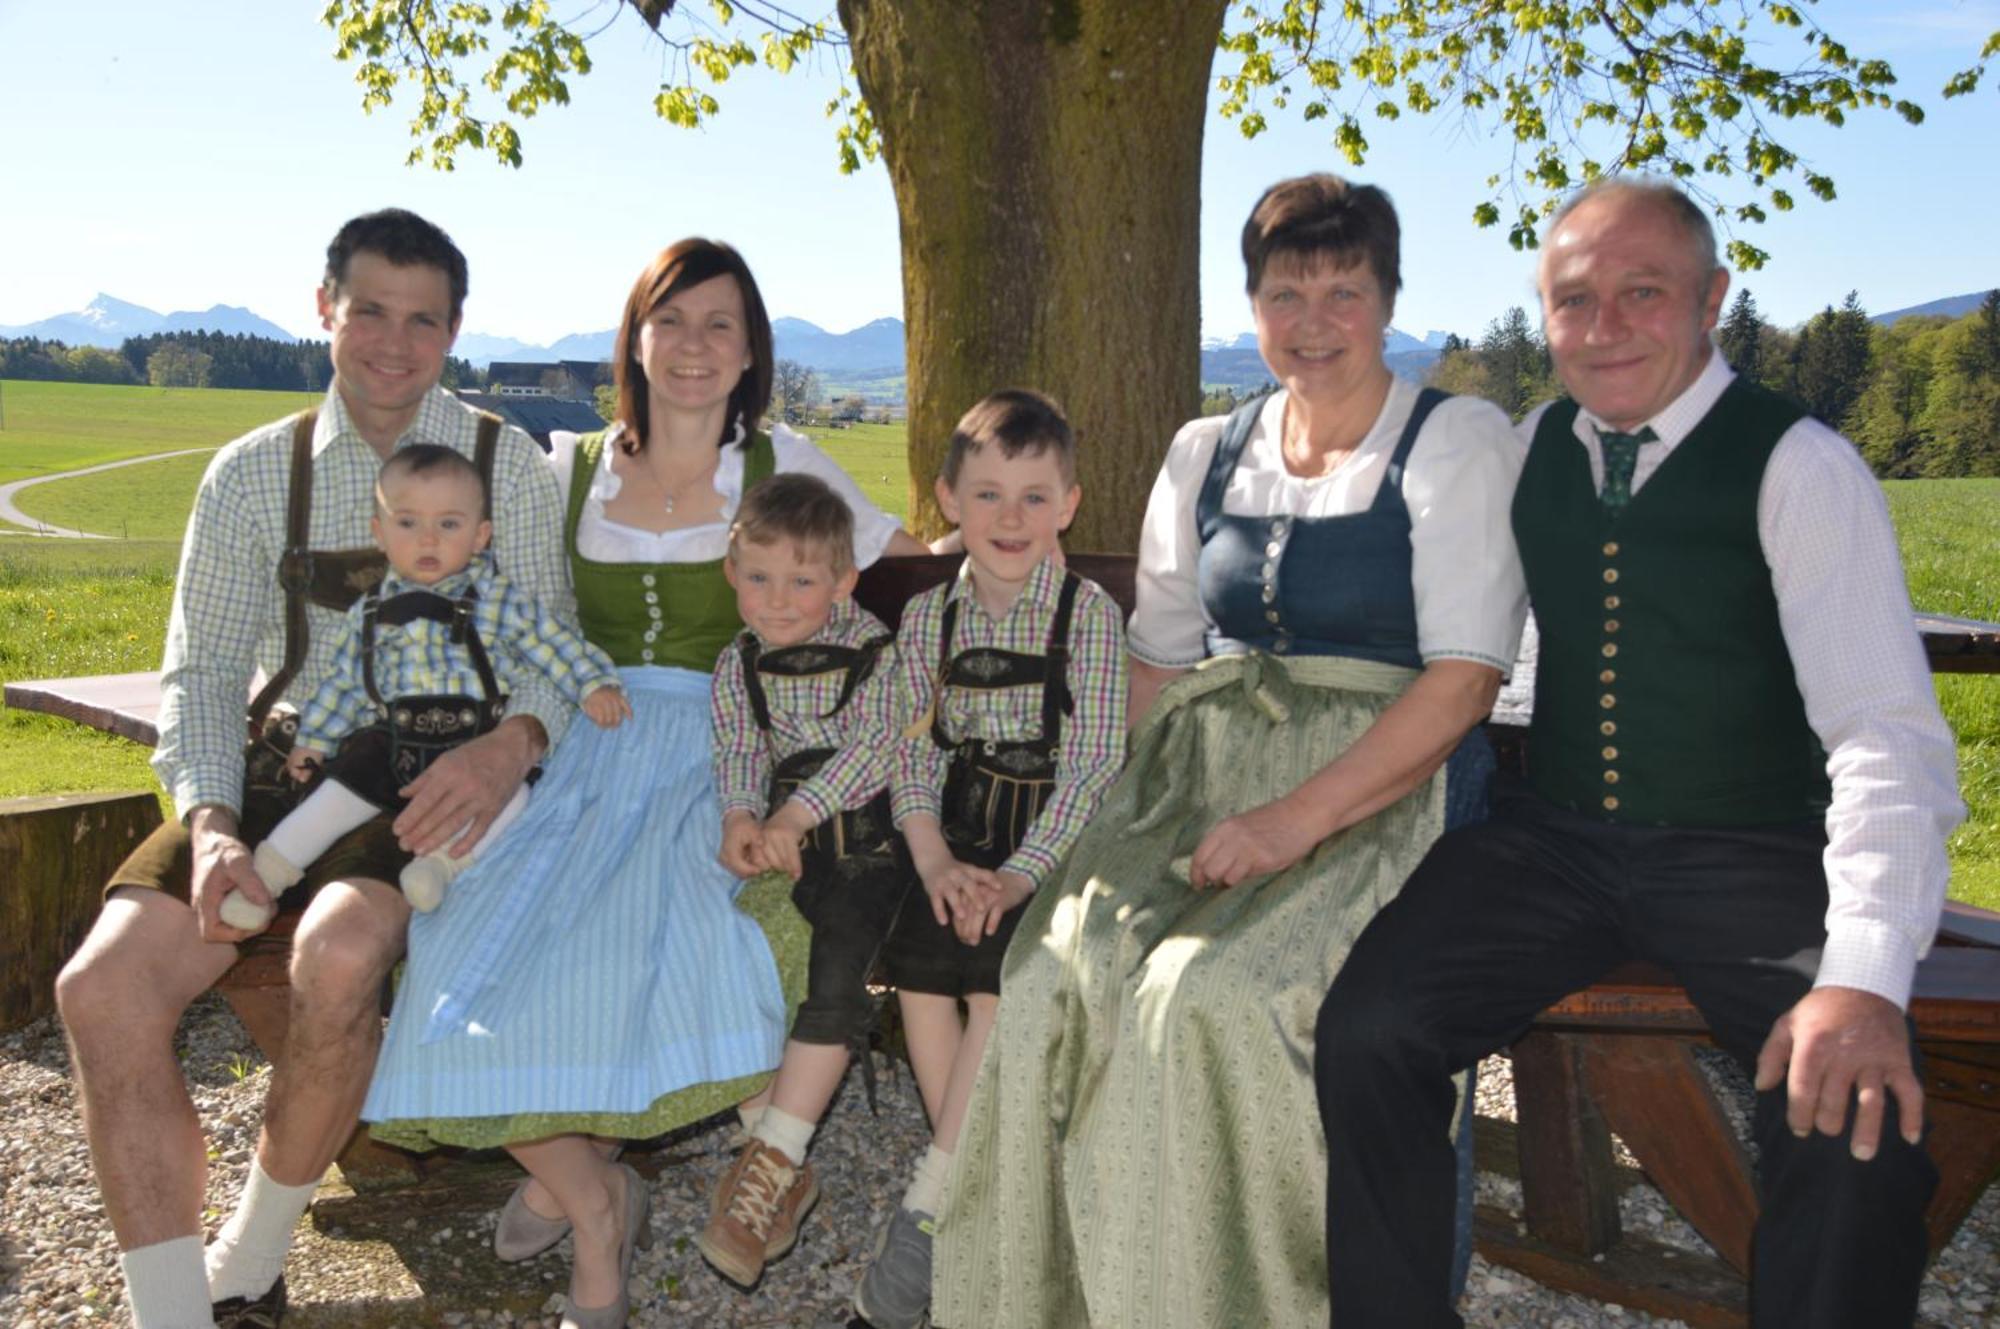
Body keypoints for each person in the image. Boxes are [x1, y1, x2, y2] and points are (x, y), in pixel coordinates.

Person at [1314, 177, 1965, 1327]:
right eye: (1572, 301)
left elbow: (1884, 733)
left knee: (1851, 1114)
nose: (1602, 327)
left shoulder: (1797, 466)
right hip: (1553, 842)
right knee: (1370, 1030)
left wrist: (1863, 973)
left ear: (1710, 301)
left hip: (1750, 852)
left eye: (1641, 292)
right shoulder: (1529, 446)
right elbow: (1434, 610)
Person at [932, 176, 1529, 1328]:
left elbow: (1461, 682)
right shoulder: (1208, 446)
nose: (1311, 320)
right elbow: (1155, 664)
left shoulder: (1451, 440)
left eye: (1342, 290)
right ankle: (1068, 1297)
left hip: (1379, 785)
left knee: (1211, 996)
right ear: (1251, 305)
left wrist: (1290, 821)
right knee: (1060, 966)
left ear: (1388, 299)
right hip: (1200, 769)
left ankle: (1253, 1300)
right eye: (1283, 291)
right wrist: (1081, 832)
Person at [357, 238, 930, 1329]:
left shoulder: (785, 463)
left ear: (752, 349)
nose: (695, 346)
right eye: (672, 320)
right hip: (583, 738)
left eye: (722, 324)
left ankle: (596, 1249)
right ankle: (590, 1192)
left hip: (727, 751)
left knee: (657, 934)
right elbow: (494, 599)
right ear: (635, 337)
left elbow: (911, 567)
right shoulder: (565, 465)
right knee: (460, 940)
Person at [53, 209, 570, 1329]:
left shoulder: (507, 466)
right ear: (324, 307)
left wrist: (507, 747)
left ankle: (253, 1248)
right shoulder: (250, 475)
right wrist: (210, 820)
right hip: (283, 761)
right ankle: (170, 1308)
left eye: (421, 318)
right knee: (100, 990)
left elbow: (554, 663)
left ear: (454, 330)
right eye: (369, 309)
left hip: (437, 769)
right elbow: (198, 675)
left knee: (336, 962)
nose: (394, 341)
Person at [853, 389, 1129, 1329]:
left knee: (1003, 976)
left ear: (1070, 505)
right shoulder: (928, 619)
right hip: (953, 831)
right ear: (948, 501)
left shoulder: (1087, 618)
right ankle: (960, 1175)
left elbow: (1092, 765)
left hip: (1051, 837)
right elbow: (909, 749)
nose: (1011, 519)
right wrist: (931, 859)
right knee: (925, 970)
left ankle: (932, 1203)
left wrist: (1019, 874)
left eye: (1034, 497)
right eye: (988, 496)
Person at [221, 445, 629, 929]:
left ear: (481, 536)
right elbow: (345, 686)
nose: (428, 540)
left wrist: (593, 682)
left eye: (449, 525)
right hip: (391, 743)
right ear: (380, 533)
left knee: (515, 798)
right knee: (331, 798)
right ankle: (267, 877)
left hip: (473, 743)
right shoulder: (369, 613)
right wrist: (314, 741)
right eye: (408, 524)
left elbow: (553, 643)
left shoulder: (497, 601)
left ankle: (440, 867)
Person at [696, 471, 914, 1288]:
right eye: (758, 578)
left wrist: (796, 815)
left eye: (800, 580)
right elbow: (740, 750)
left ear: (843, 581)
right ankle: (774, 1149)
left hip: (868, 839)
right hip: (786, 836)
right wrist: (741, 818)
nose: (777, 600)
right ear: (732, 573)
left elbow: (878, 749)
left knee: (837, 963)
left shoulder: (877, 651)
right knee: (724, 941)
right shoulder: (738, 663)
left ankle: (773, 1162)